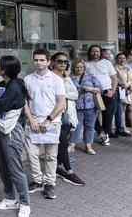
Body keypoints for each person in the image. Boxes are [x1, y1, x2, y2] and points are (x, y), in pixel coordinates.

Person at [0, 55, 30, 217]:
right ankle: (10, 198)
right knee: (3, 166)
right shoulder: (2, 84)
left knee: (15, 168)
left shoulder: (14, 87)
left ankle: (25, 203)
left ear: (4, 69)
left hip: (12, 131)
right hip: (1, 128)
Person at [23, 48, 66, 200]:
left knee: (50, 156)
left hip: (52, 123)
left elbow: (61, 103)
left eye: (42, 60)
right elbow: (25, 103)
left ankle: (49, 183)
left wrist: (48, 120)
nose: (39, 62)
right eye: (36, 59)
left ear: (49, 62)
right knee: (32, 154)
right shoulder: (27, 79)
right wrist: (32, 120)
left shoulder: (57, 80)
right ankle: (37, 180)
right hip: (32, 123)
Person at [50, 52, 84, 186]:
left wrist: (63, 94)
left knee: (62, 142)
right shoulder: (50, 77)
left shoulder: (66, 77)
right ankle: (69, 172)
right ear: (52, 62)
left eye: (65, 62)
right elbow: (55, 96)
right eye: (60, 61)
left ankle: (58, 166)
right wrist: (64, 94)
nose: (63, 64)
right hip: (56, 115)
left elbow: (75, 94)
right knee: (63, 143)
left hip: (68, 114)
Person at [85, 45, 118, 145]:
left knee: (108, 115)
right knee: (91, 115)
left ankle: (106, 134)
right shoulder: (85, 64)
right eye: (93, 51)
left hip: (107, 91)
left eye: (97, 51)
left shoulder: (107, 63)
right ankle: (100, 132)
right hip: (91, 93)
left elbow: (114, 78)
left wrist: (112, 90)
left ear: (100, 53)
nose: (95, 53)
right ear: (90, 53)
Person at [69, 58, 102, 155]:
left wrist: (91, 89)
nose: (79, 69)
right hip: (76, 106)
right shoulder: (70, 77)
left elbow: (100, 88)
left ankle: (88, 146)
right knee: (76, 126)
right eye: (77, 67)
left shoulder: (90, 76)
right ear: (73, 68)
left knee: (89, 126)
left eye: (81, 67)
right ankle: (72, 145)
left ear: (84, 67)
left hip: (90, 105)